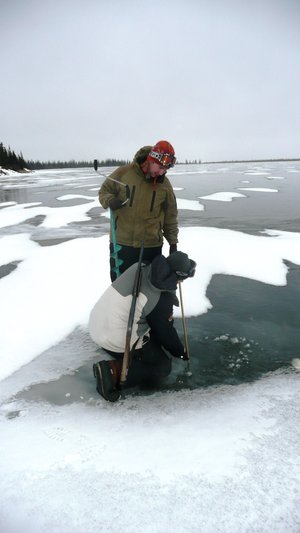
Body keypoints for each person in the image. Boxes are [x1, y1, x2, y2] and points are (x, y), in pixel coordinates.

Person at [89, 251, 196, 402]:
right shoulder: (160, 298)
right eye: (182, 279)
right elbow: (164, 333)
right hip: (115, 340)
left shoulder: (141, 266)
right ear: (177, 276)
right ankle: (112, 372)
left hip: (96, 325)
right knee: (163, 366)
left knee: (150, 325)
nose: (181, 283)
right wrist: (180, 352)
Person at [99, 140, 179, 281]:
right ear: (151, 160)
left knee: (148, 291)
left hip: (151, 246)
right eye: (160, 167)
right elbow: (104, 191)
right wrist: (109, 200)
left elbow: (170, 216)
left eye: (165, 169)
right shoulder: (123, 173)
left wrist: (173, 244)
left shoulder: (165, 186)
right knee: (120, 290)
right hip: (121, 244)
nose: (162, 172)